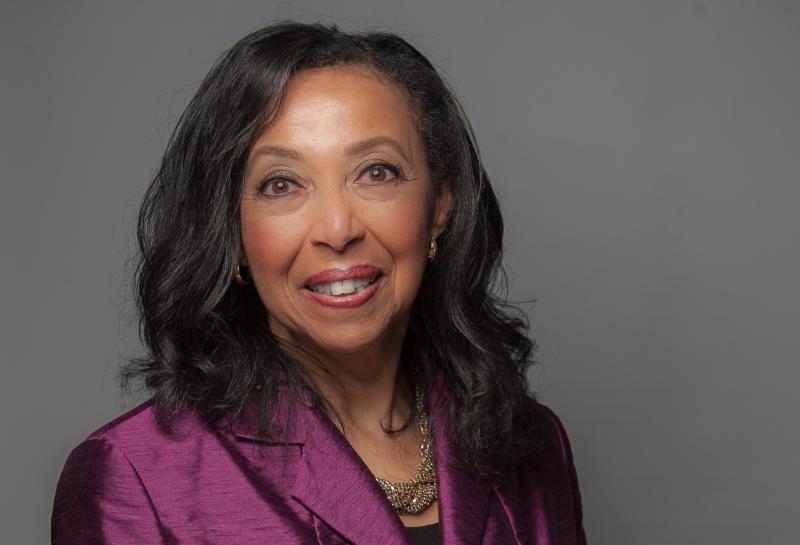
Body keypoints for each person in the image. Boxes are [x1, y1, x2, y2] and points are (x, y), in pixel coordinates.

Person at [51, 21, 587, 545]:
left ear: (440, 205)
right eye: (281, 184)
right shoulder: (135, 477)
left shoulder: (533, 445)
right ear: (232, 233)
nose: (337, 229)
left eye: (376, 172)